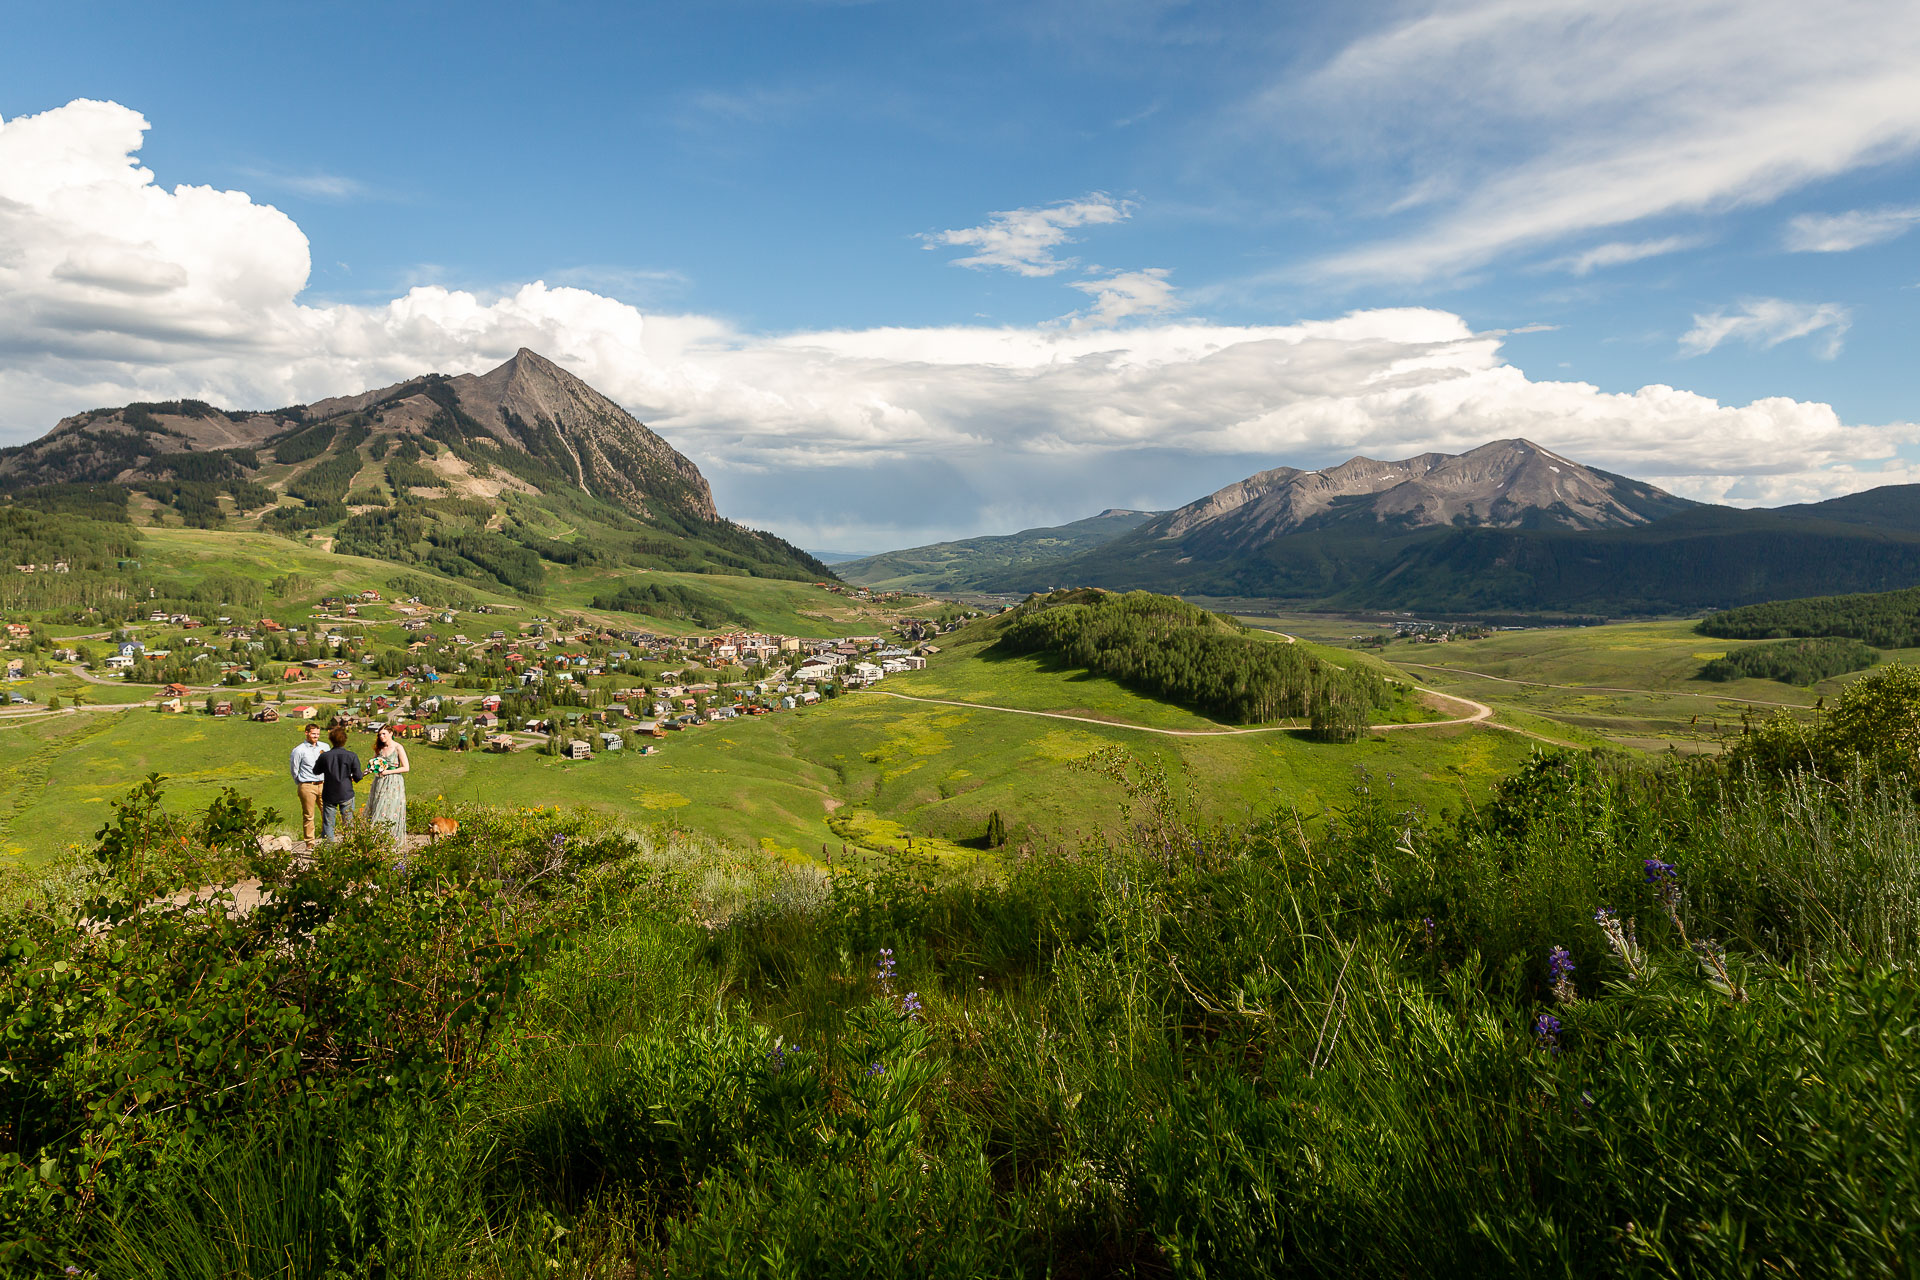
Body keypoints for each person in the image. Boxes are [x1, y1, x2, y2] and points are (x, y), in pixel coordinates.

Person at [365, 724, 411, 850]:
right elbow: (372, 765)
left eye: (384, 733)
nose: (381, 736)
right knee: (377, 808)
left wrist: (388, 772)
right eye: (380, 734)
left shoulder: (398, 747)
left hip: (394, 782)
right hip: (380, 782)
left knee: (391, 809)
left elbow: (406, 767)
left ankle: (392, 841)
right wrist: (363, 773)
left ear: (391, 733)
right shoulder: (379, 749)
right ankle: (377, 841)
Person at [319, 723, 364, 840]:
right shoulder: (351, 756)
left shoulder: (325, 756)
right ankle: (349, 847)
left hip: (329, 792)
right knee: (349, 823)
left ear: (331, 740)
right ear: (345, 740)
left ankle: (328, 851)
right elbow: (358, 776)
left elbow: (316, 770)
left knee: (328, 823)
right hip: (346, 792)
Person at [289, 721, 325, 842]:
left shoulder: (325, 747)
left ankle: (328, 839)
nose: (316, 736)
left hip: (324, 784)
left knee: (328, 813)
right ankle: (310, 843)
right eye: (313, 734)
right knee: (309, 815)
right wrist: (301, 783)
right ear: (306, 733)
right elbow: (294, 769)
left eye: (318, 734)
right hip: (307, 785)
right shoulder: (299, 750)